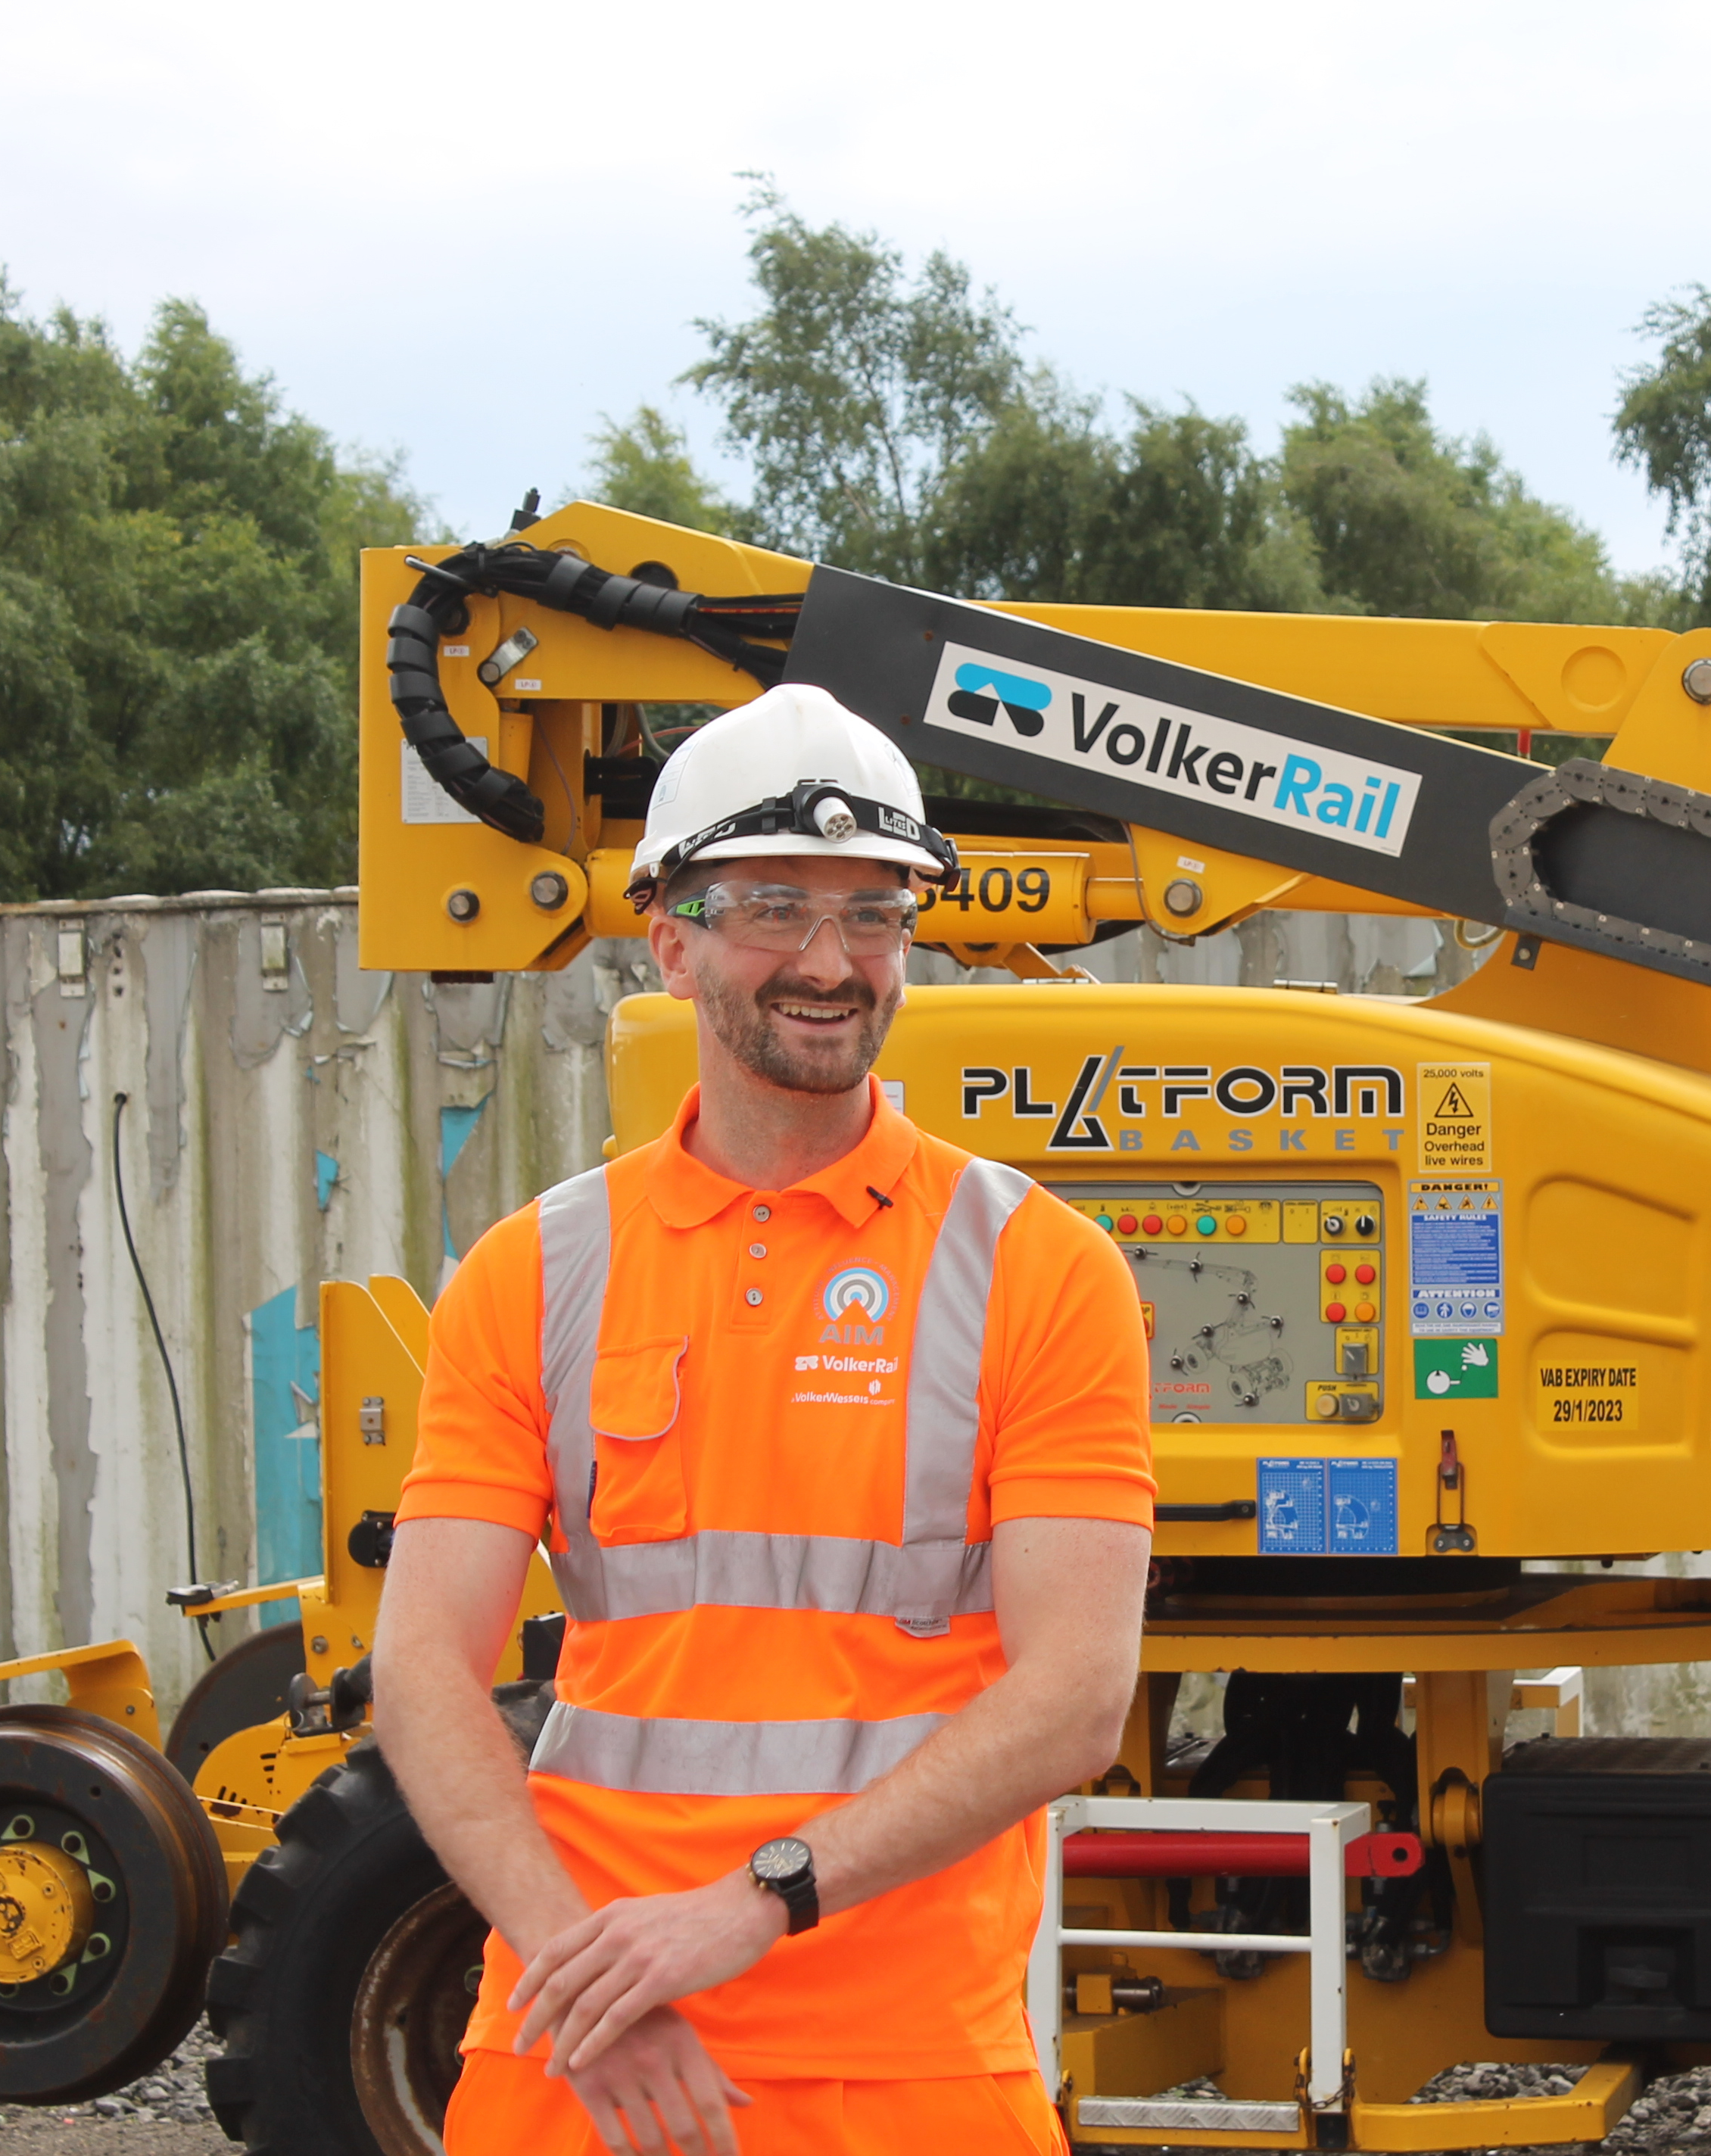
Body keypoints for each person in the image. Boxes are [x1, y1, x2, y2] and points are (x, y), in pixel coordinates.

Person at [378, 682, 1158, 2156]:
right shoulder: (536, 1271)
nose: (830, 959)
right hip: (587, 2047)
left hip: (912, 2056)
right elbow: (421, 1665)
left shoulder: (1037, 1268)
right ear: (669, 935)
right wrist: (589, 1968)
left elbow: (1074, 1698)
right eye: (777, 909)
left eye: (875, 915)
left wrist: (747, 1907)